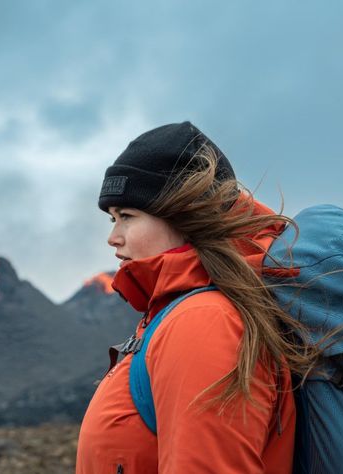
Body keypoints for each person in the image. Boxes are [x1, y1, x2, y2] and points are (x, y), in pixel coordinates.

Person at [76, 121, 319, 473]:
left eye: (127, 216)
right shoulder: (175, 315)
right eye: (113, 219)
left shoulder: (203, 324)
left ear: (185, 217)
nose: (113, 237)